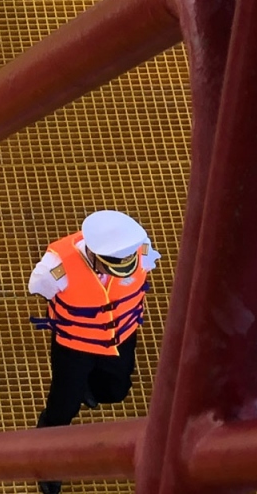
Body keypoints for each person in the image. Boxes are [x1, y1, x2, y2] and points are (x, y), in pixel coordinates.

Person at [28, 210, 159, 494]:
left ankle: (88, 388)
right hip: (74, 346)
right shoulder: (57, 265)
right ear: (94, 253)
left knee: (116, 390)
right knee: (63, 407)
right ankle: (48, 459)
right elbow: (38, 286)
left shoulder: (139, 249)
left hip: (120, 337)